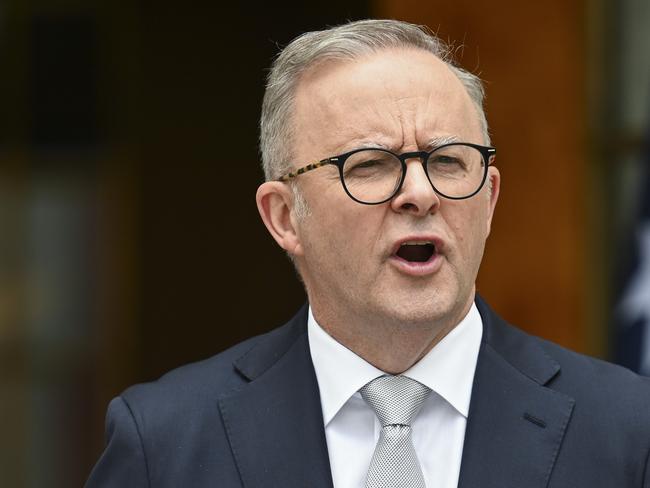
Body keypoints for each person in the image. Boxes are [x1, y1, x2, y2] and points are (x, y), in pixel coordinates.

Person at [86, 19, 650, 488]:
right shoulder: (165, 442)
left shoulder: (627, 428)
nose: (421, 194)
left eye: (449, 160)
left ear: (490, 198)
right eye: (370, 165)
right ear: (285, 217)